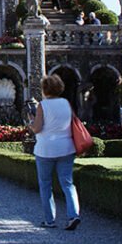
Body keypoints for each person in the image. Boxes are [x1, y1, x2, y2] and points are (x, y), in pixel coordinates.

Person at [29, 74, 81, 230]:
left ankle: (50, 220)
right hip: (66, 148)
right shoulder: (66, 103)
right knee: (68, 183)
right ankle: (73, 215)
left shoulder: (42, 105)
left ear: (45, 89)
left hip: (46, 150)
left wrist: (30, 122)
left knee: (45, 185)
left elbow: (37, 128)